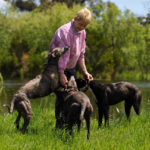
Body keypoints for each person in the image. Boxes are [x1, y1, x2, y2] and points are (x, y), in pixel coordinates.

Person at [49, 8, 93, 88]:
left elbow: (81, 54)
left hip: (71, 68)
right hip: (57, 68)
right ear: (75, 19)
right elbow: (63, 55)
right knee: (65, 96)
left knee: (76, 95)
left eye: (85, 26)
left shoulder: (82, 32)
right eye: (81, 24)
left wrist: (84, 71)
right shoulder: (64, 32)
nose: (82, 27)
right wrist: (61, 74)